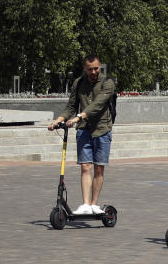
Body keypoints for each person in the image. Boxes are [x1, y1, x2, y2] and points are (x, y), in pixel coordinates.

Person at [48, 54, 116, 215]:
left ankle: (94, 204)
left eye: (96, 68)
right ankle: (85, 204)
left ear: (100, 67)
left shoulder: (108, 83)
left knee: (98, 168)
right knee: (85, 166)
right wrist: (58, 120)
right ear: (85, 69)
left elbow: (98, 105)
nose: (93, 72)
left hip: (102, 129)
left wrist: (79, 117)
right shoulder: (78, 83)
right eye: (90, 69)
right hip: (84, 129)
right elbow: (71, 106)